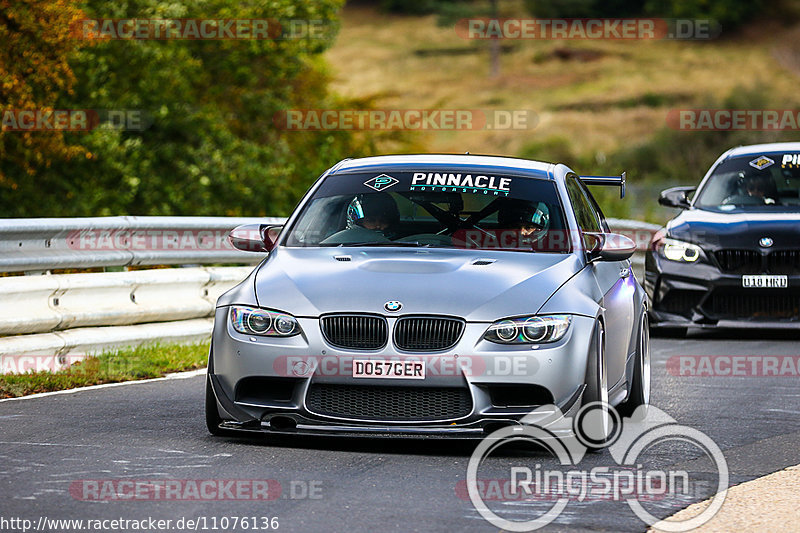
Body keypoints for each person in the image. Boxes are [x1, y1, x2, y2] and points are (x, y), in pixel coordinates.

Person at [320, 193, 400, 244]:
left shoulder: (404, 244)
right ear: (358, 223)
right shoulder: (338, 245)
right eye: (371, 221)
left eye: (383, 221)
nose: (378, 225)